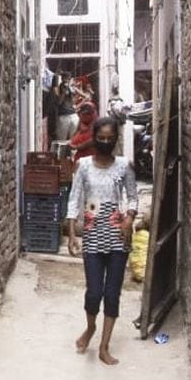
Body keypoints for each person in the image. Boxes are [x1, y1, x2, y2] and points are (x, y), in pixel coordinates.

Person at [66, 117, 138, 366]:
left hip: (119, 236)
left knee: (112, 293)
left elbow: (133, 197)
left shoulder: (124, 166)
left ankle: (104, 347)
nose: (105, 142)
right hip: (93, 234)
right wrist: (72, 233)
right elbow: (74, 198)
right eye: (101, 138)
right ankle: (90, 328)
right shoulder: (84, 166)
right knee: (94, 291)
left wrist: (129, 218)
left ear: (115, 139)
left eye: (110, 138)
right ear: (94, 139)